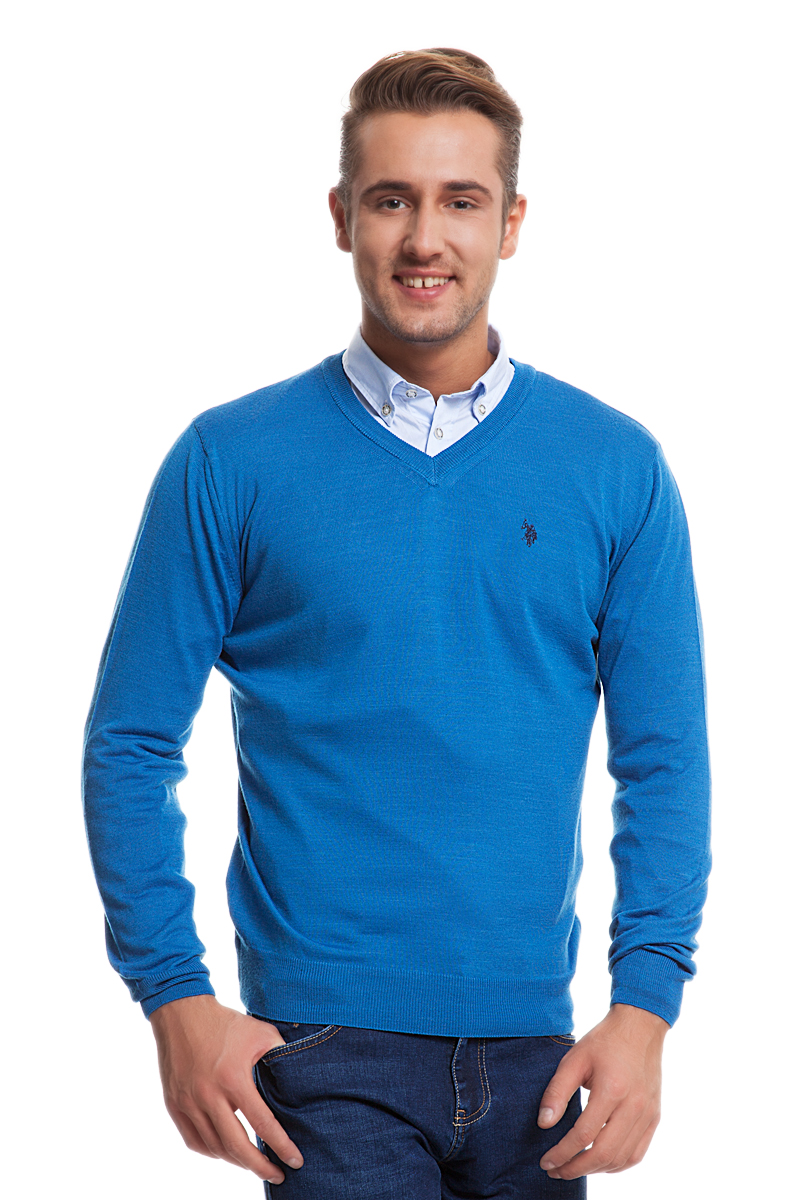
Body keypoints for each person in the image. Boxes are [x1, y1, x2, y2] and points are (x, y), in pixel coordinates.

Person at [82, 48, 711, 1199]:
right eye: (391, 200)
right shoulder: (230, 461)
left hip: (542, 1057)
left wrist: (644, 1008)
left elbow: (662, 757)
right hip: (321, 1051)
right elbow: (129, 742)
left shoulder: (614, 468)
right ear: (340, 217)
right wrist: (173, 999)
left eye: (460, 200)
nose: (425, 238)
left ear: (509, 223)